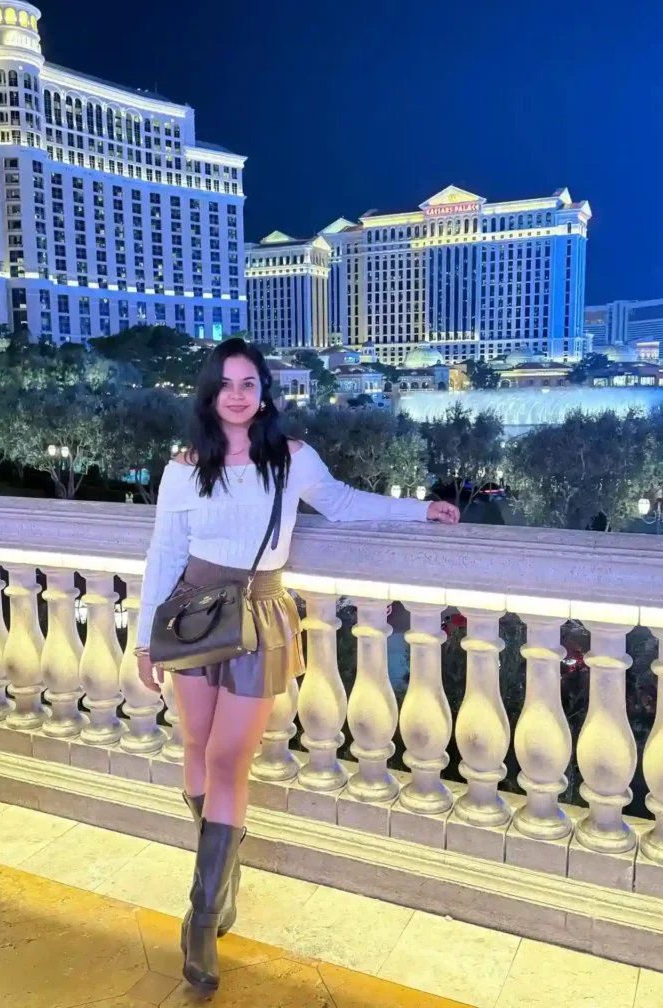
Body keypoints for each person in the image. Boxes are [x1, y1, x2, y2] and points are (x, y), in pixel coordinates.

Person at [134, 337, 459, 998]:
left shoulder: (292, 459)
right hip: (191, 610)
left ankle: (199, 914)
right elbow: (163, 551)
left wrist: (418, 508)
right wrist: (144, 639)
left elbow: (342, 503)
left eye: (248, 383)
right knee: (196, 747)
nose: (236, 394)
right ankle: (221, 884)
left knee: (228, 759)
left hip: (260, 613)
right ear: (210, 392)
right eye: (225, 383)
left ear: (263, 393)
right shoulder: (182, 467)